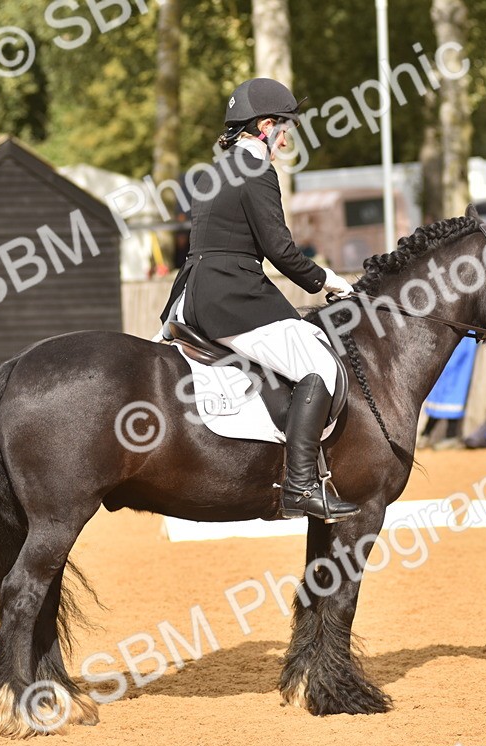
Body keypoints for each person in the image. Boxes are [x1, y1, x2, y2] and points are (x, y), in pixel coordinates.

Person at [158, 77, 359, 522]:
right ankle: (301, 486)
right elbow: (280, 250)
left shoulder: (214, 170)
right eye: (283, 127)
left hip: (193, 292)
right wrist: (330, 281)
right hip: (233, 295)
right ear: (265, 125)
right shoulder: (256, 168)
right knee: (320, 366)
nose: (286, 138)